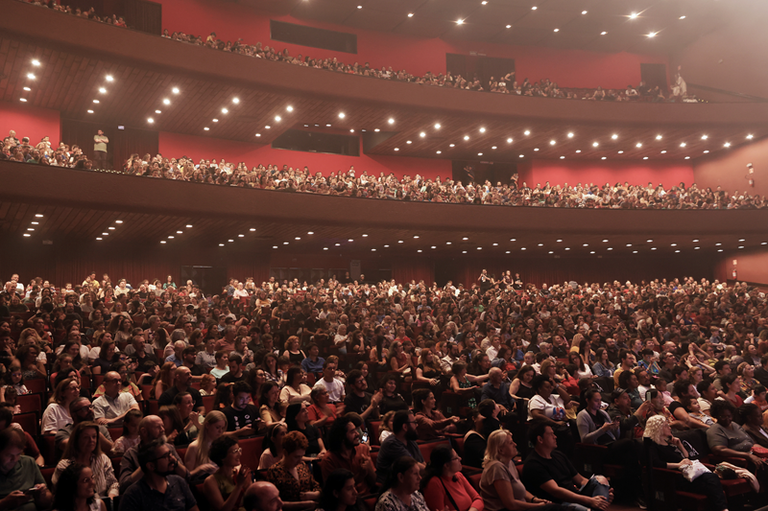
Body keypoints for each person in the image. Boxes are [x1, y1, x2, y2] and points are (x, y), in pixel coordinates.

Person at [643, 415, 729, 511]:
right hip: (675, 477)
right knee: (711, 486)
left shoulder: (670, 442)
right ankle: (723, 508)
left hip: (688, 472)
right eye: (667, 425)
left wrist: (680, 445)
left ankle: (723, 509)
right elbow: (657, 464)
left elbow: (687, 457)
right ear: (658, 428)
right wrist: (679, 464)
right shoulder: (652, 445)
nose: (670, 427)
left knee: (712, 477)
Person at [522, 422, 613, 511]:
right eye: (551, 434)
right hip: (558, 503)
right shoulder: (533, 464)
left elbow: (580, 480)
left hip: (574, 495)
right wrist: (590, 500)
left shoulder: (558, 455)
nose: (555, 436)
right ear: (540, 439)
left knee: (601, 480)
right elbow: (556, 491)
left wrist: (602, 493)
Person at [480, 429, 559, 511]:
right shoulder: (497, 467)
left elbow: (520, 491)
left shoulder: (509, 462)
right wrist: (538, 506)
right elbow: (511, 505)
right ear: (501, 450)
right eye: (511, 443)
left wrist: (535, 500)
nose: (515, 444)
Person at [119, 439, 200, 511]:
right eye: (166, 456)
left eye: (170, 454)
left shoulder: (179, 482)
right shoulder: (133, 495)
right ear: (151, 466)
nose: (172, 459)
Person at [52, 421, 119, 500]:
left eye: (94, 437)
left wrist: (111, 497)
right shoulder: (64, 465)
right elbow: (62, 494)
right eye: (86, 437)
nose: (91, 440)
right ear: (76, 440)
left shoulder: (103, 459)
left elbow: (113, 484)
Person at [320, 413, 376, 496]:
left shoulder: (362, 449)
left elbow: (374, 481)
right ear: (342, 438)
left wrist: (369, 469)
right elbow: (334, 492)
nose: (357, 434)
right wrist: (359, 476)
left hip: (366, 496)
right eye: (352, 432)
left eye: (356, 430)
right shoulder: (329, 460)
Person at [266, 431, 321, 510]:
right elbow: (273, 502)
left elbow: (317, 487)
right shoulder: (274, 471)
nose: (299, 461)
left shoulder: (302, 466)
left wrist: (314, 495)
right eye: (296, 457)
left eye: (301, 456)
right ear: (285, 452)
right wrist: (302, 504)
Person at [0, 429, 52, 511]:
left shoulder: (29, 462)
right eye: (9, 455)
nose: (15, 459)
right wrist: (4, 503)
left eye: (18, 454)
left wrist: (42, 495)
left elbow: (48, 502)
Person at [421, 444, 483, 511]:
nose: (460, 458)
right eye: (456, 458)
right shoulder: (434, 483)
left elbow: (478, 499)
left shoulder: (458, 475)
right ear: (446, 465)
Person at [706, 400, 765, 467]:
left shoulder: (734, 425)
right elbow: (719, 450)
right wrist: (748, 456)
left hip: (754, 454)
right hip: (741, 461)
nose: (727, 419)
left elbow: (751, 443)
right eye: (723, 416)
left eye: (729, 416)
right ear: (716, 416)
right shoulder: (715, 429)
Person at [202, 435, 253, 511]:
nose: (240, 454)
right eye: (235, 451)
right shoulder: (211, 481)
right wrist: (239, 485)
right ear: (222, 457)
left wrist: (249, 485)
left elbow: (254, 501)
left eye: (239, 450)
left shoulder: (240, 474)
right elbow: (223, 509)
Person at [376, 410, 424, 484]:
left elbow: (422, 463)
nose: (417, 425)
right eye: (414, 423)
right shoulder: (391, 444)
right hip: (392, 487)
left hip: (408, 482)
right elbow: (414, 466)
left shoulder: (410, 441)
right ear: (405, 427)